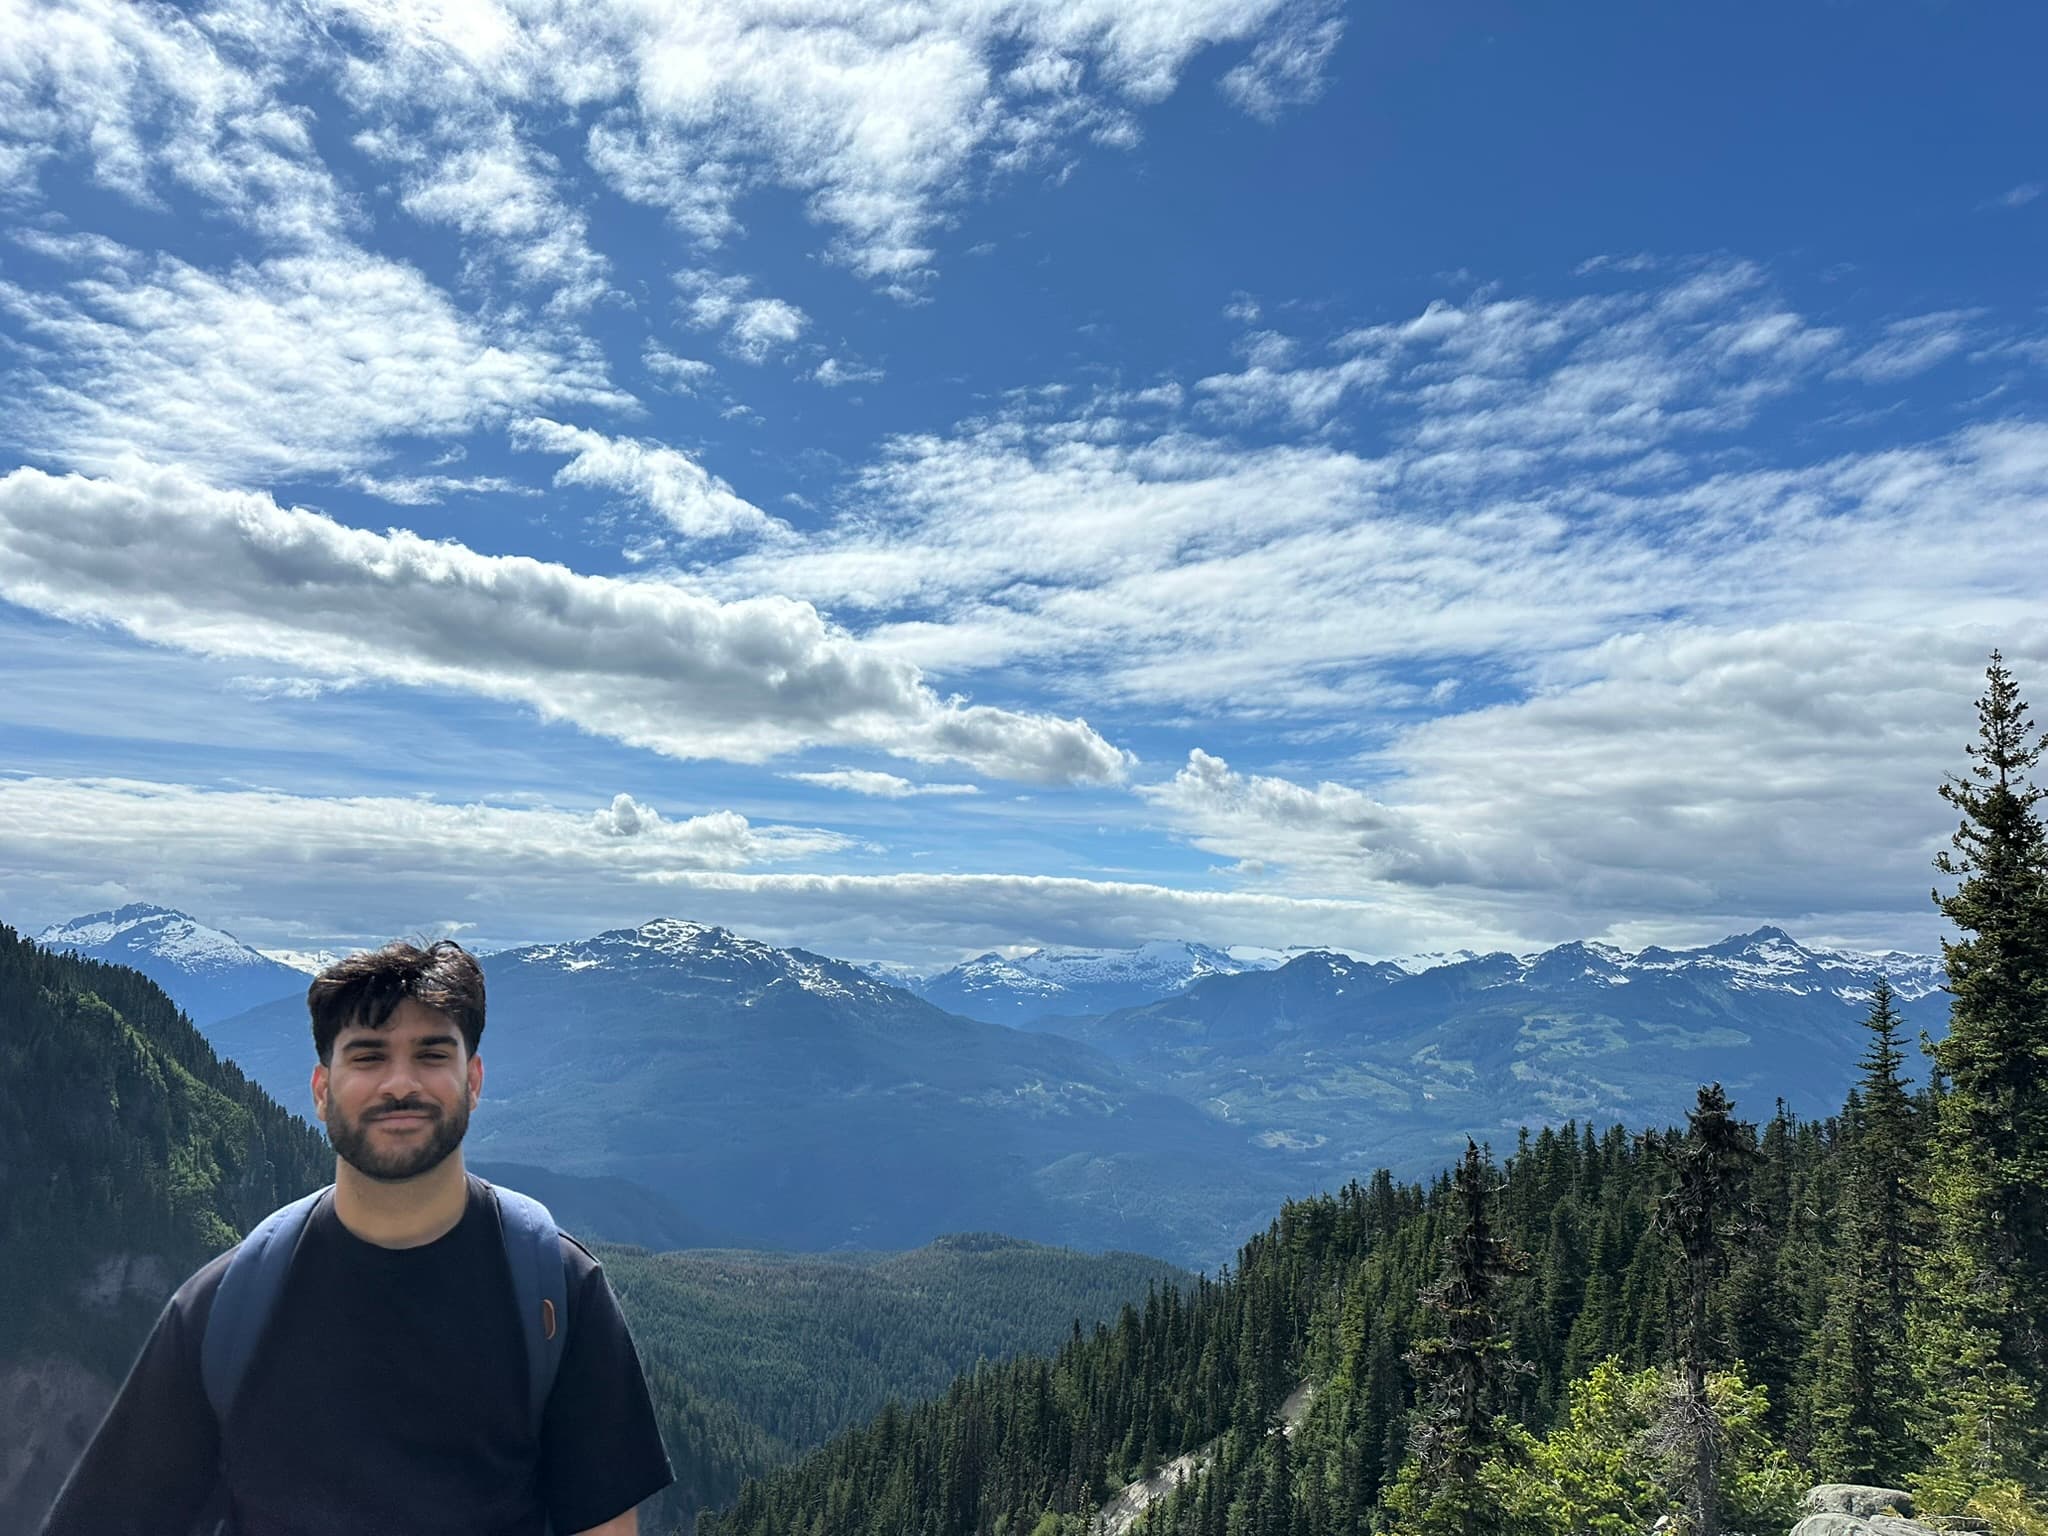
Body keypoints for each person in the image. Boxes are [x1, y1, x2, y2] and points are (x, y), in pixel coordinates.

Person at [39, 940, 675, 1536]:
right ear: (322, 1091)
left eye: (432, 1054)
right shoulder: (224, 1309)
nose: (401, 1083)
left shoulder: (558, 1293)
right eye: (368, 1055)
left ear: (473, 1081)